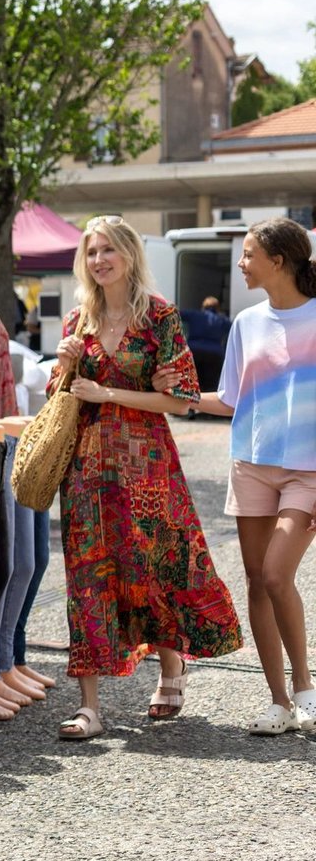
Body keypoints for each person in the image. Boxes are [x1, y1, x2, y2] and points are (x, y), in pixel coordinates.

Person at [49, 215, 241, 740]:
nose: (99, 260)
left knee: (154, 568)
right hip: (87, 469)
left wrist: (110, 393)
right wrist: (64, 365)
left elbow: (180, 400)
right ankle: (89, 705)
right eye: (91, 252)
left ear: (130, 255)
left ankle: (172, 664)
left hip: (147, 466)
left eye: (109, 250)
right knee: (88, 577)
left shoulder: (159, 317)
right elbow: (57, 400)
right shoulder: (77, 321)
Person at [163, 219, 316, 734]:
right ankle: (278, 703)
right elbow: (229, 400)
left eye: (249, 254)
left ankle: (305, 689)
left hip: (308, 472)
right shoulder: (246, 323)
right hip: (251, 463)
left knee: (276, 574)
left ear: (279, 260)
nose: (242, 263)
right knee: (256, 582)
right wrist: (176, 396)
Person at [180, 295, 232, 394]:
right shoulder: (222, 319)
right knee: (211, 384)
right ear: (218, 308)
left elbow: (177, 314)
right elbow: (233, 329)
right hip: (214, 354)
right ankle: (207, 407)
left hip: (194, 351)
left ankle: (191, 406)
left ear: (203, 306)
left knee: (192, 380)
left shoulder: (194, 314)